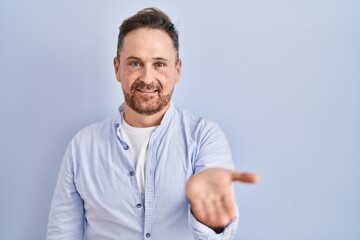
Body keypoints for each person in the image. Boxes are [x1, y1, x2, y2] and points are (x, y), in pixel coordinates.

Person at [46, 7, 258, 240]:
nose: (147, 78)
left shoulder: (204, 137)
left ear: (177, 70)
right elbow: (62, 233)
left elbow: (217, 234)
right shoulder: (82, 147)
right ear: (117, 68)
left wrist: (207, 215)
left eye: (159, 64)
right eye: (135, 63)